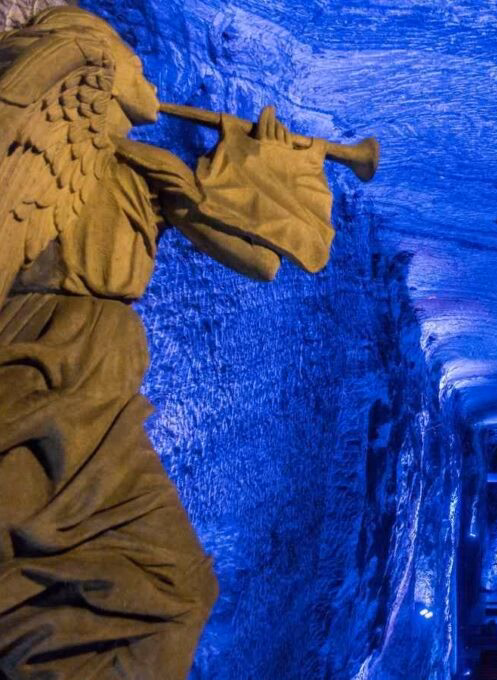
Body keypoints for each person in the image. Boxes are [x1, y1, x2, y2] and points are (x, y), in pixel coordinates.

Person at [0, 7, 334, 678]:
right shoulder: (103, 159)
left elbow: (265, 257)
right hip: (56, 367)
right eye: (134, 63)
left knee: (95, 576)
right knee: (166, 588)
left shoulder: (139, 167)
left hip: (91, 377)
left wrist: (273, 163)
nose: (146, 73)